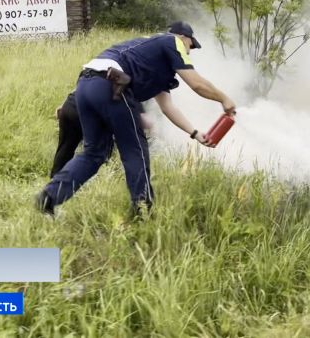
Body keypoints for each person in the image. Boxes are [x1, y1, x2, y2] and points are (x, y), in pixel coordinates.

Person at [36, 21, 236, 217]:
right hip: (112, 84)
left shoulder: (155, 64)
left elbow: (168, 108)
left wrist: (195, 134)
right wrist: (224, 99)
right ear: (183, 38)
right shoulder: (170, 41)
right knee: (135, 149)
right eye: (191, 46)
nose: (190, 52)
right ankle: (142, 210)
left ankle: (48, 198)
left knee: (94, 153)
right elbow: (197, 84)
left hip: (87, 84)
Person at [50, 90, 152, 178]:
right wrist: (158, 127)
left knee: (65, 153)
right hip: (91, 115)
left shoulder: (103, 71)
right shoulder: (130, 82)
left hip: (71, 106)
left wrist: (64, 105)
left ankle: (53, 187)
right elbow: (143, 120)